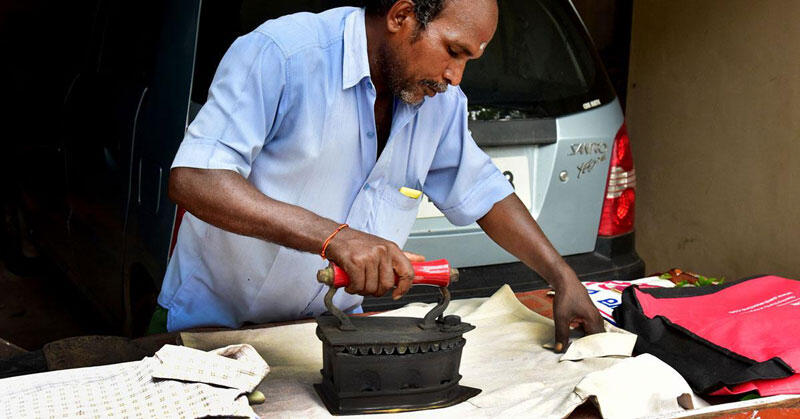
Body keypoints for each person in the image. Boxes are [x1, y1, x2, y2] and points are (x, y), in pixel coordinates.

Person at [156, 0, 603, 351]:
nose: (455, 75)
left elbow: (485, 192)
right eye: (452, 52)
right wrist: (338, 238)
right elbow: (195, 178)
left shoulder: (441, 102)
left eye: (469, 60)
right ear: (401, 15)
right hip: (212, 331)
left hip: (327, 334)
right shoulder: (283, 54)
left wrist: (561, 276)